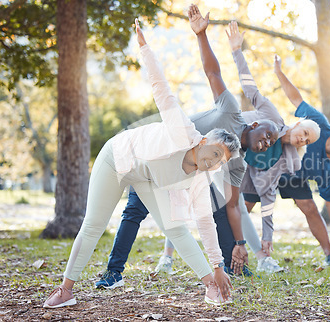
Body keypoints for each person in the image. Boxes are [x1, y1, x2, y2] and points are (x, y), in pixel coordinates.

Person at [43, 19, 241, 309]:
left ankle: (211, 286)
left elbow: (205, 223)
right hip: (117, 159)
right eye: (213, 152)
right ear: (202, 142)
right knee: (93, 225)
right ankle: (65, 290)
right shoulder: (182, 130)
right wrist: (145, 48)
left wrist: (218, 266)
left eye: (218, 161)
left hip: (147, 178)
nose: (211, 162)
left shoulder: (200, 178)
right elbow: (161, 89)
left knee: (176, 229)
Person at [94, 5, 280, 289]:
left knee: (217, 207)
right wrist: (201, 35)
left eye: (271, 144)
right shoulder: (231, 111)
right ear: (256, 125)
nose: (267, 142)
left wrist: (240, 243)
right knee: (134, 211)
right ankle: (113, 272)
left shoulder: (238, 162)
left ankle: (231, 267)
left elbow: (233, 207)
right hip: (158, 159)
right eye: (268, 135)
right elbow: (213, 73)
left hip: (188, 177)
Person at [153, 21, 322, 275]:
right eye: (305, 133)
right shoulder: (269, 118)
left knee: (233, 206)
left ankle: (256, 257)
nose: (303, 140)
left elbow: (269, 195)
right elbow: (247, 86)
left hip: (232, 157)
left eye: (307, 141)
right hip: (215, 138)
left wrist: (268, 234)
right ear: (297, 123)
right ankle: (168, 255)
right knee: (189, 198)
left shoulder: (288, 159)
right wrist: (236, 51)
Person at [248, 53, 330, 267]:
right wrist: (279, 73)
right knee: (246, 204)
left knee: (310, 207)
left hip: (294, 178)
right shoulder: (319, 123)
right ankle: (228, 242)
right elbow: (296, 99)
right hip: (274, 163)